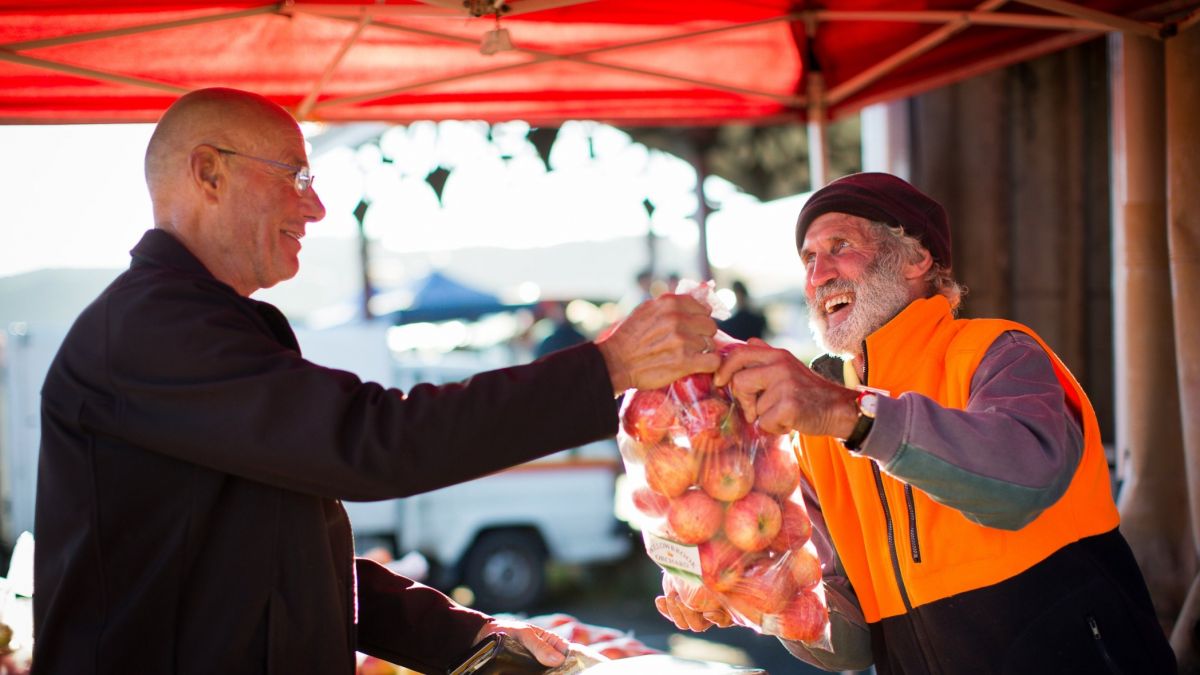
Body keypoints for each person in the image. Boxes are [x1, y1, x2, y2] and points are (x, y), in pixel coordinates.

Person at [33, 88, 722, 675]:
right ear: (209, 173)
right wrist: (608, 366)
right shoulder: (152, 329)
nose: (316, 208)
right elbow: (373, 442)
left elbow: (294, 556)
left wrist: (469, 638)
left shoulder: (191, 324)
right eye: (296, 177)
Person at [655, 172, 1176, 674]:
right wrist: (752, 591)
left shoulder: (997, 351)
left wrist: (847, 414)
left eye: (840, 246)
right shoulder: (815, 435)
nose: (818, 276)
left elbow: (1023, 483)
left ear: (917, 258)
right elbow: (851, 641)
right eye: (809, 259)